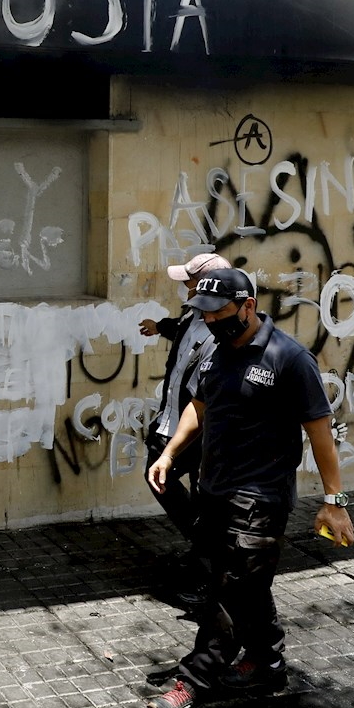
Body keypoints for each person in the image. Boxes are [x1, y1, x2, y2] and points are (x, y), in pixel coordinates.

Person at [144, 267, 352, 708]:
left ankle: (190, 684)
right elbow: (199, 408)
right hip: (214, 491)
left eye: (220, 312)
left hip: (259, 501)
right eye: (205, 313)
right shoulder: (214, 353)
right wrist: (171, 454)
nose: (212, 321)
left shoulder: (289, 359)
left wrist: (334, 501)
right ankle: (267, 661)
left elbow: (321, 434)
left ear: (248, 306)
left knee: (225, 593)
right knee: (244, 585)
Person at [136, 251, 232, 604]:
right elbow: (181, 330)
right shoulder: (195, 313)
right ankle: (205, 551)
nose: (185, 286)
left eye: (189, 280)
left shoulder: (220, 330)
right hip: (174, 418)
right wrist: (158, 326)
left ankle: (210, 562)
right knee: (172, 483)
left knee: (168, 478)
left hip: (195, 429)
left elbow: (205, 397)